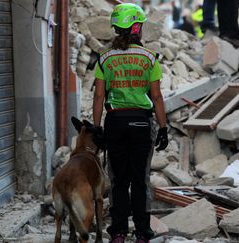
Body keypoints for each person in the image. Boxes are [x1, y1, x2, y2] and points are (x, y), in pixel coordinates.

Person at [92, 3, 168, 243]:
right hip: (141, 124)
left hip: (115, 123)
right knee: (139, 180)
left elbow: (98, 97)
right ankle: (143, 233)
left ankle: (118, 233)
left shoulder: (104, 58)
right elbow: (156, 97)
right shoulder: (149, 58)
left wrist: (97, 128)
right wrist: (164, 128)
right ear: (136, 27)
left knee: (118, 181)